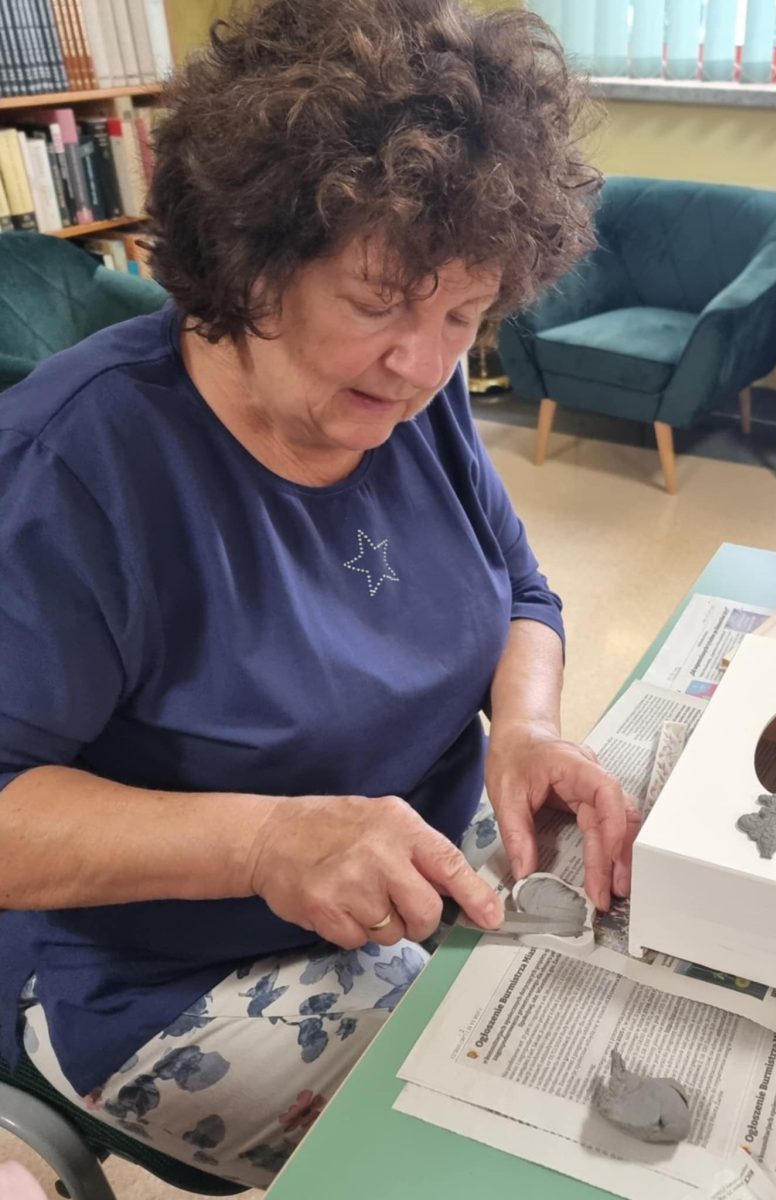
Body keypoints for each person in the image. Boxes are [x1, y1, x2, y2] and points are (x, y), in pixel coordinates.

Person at [0, 0, 637, 1186]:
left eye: (463, 315)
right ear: (253, 259)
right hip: (169, 970)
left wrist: (528, 731)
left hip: (417, 871)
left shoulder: (413, 392)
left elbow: (523, 595)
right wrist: (268, 841)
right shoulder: (74, 468)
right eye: (379, 301)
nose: (423, 363)